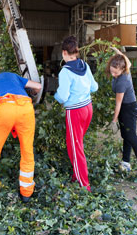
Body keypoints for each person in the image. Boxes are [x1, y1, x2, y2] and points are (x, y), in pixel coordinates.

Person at [0, 67, 42, 202]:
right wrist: (31, 93)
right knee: (27, 151)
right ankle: (26, 194)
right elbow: (38, 86)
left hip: (5, 108)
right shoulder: (11, 75)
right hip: (26, 108)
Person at [54, 36, 98, 191]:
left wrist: (55, 97)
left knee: (75, 146)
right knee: (77, 143)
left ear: (64, 52)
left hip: (75, 112)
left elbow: (63, 96)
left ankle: (84, 184)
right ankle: (76, 175)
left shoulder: (65, 72)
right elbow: (94, 87)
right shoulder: (84, 65)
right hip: (88, 108)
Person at [107, 47, 137, 181]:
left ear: (122, 70)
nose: (113, 74)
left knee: (131, 136)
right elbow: (126, 61)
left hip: (129, 108)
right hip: (126, 107)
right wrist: (117, 52)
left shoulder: (122, 81)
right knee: (125, 134)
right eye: (111, 71)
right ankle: (125, 162)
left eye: (115, 72)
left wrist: (114, 120)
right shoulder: (125, 68)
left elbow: (118, 103)